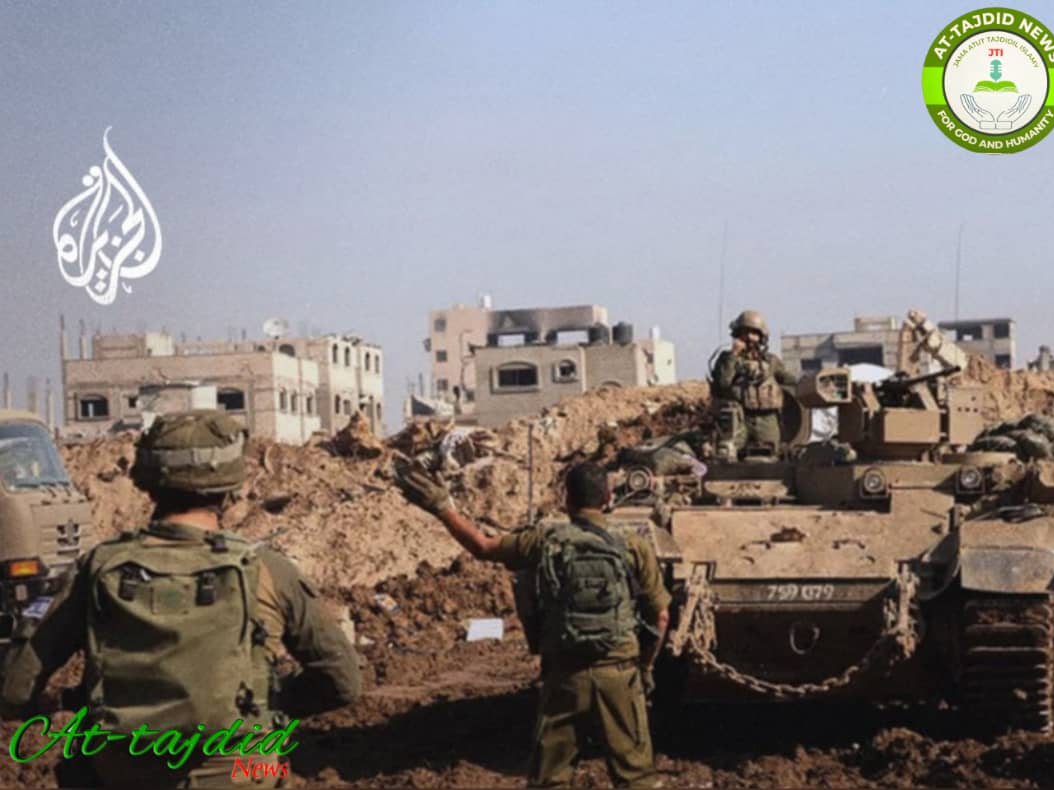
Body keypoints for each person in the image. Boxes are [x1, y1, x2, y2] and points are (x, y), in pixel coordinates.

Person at [0, 410, 364, 789]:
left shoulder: (97, 568)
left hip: (123, 773)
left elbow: (15, 691)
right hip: (241, 774)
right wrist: (267, 703)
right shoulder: (269, 571)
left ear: (146, 484)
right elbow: (342, 682)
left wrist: (72, 704)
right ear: (231, 487)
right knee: (276, 770)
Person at [395, 460, 670, 788]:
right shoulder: (633, 544)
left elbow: (483, 546)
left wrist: (441, 507)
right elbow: (661, 615)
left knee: (550, 778)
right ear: (609, 497)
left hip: (564, 675)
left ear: (566, 498)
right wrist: (646, 666)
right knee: (636, 778)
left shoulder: (545, 539)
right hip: (620, 673)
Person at [709, 309, 796, 455]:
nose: (749, 337)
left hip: (767, 419)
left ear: (761, 337)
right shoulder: (727, 359)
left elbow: (789, 380)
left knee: (770, 455)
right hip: (738, 419)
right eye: (745, 332)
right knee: (727, 454)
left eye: (754, 333)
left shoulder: (771, 361)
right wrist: (733, 355)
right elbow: (723, 384)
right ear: (738, 334)